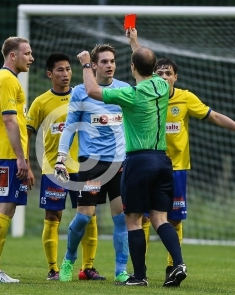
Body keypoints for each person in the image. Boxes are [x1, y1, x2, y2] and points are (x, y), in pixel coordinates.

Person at [74, 28, 187, 287]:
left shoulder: (130, 95)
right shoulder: (162, 84)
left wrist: (86, 65)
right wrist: (134, 42)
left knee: (133, 219)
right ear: (154, 68)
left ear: (131, 66)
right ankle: (178, 264)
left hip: (138, 161)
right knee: (160, 218)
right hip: (162, 160)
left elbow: (91, 90)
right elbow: (145, 61)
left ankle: (139, 276)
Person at [141, 58, 235, 280]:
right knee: (143, 219)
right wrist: (133, 41)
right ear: (153, 76)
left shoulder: (185, 97)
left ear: (175, 77)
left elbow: (215, 116)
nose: (163, 77)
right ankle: (140, 270)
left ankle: (173, 268)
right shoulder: (147, 97)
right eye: (159, 73)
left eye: (168, 73)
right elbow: (140, 63)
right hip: (149, 165)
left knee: (174, 219)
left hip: (177, 168)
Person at [55, 44, 130, 284]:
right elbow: (69, 127)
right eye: (104, 61)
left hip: (120, 163)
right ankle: (68, 259)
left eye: (112, 61)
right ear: (94, 65)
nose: (109, 65)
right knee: (85, 216)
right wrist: (61, 157)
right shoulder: (80, 92)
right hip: (92, 164)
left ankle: (121, 270)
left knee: (121, 218)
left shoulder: (125, 90)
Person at [27, 52, 103, 281]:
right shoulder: (40, 102)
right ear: (50, 74)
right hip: (53, 168)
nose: (66, 74)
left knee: (90, 215)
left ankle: (87, 268)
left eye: (68, 69)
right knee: (53, 216)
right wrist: (28, 163)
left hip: (84, 166)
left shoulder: (84, 95)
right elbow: (27, 133)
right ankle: (53, 269)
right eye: (60, 70)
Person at [0, 36, 33, 283]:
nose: (31, 58)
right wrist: (21, 158)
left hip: (2, 153)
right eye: (27, 53)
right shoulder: (7, 80)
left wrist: (25, 160)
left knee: (6, 208)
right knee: (4, 208)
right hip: (6, 154)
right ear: (13, 55)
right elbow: (10, 120)